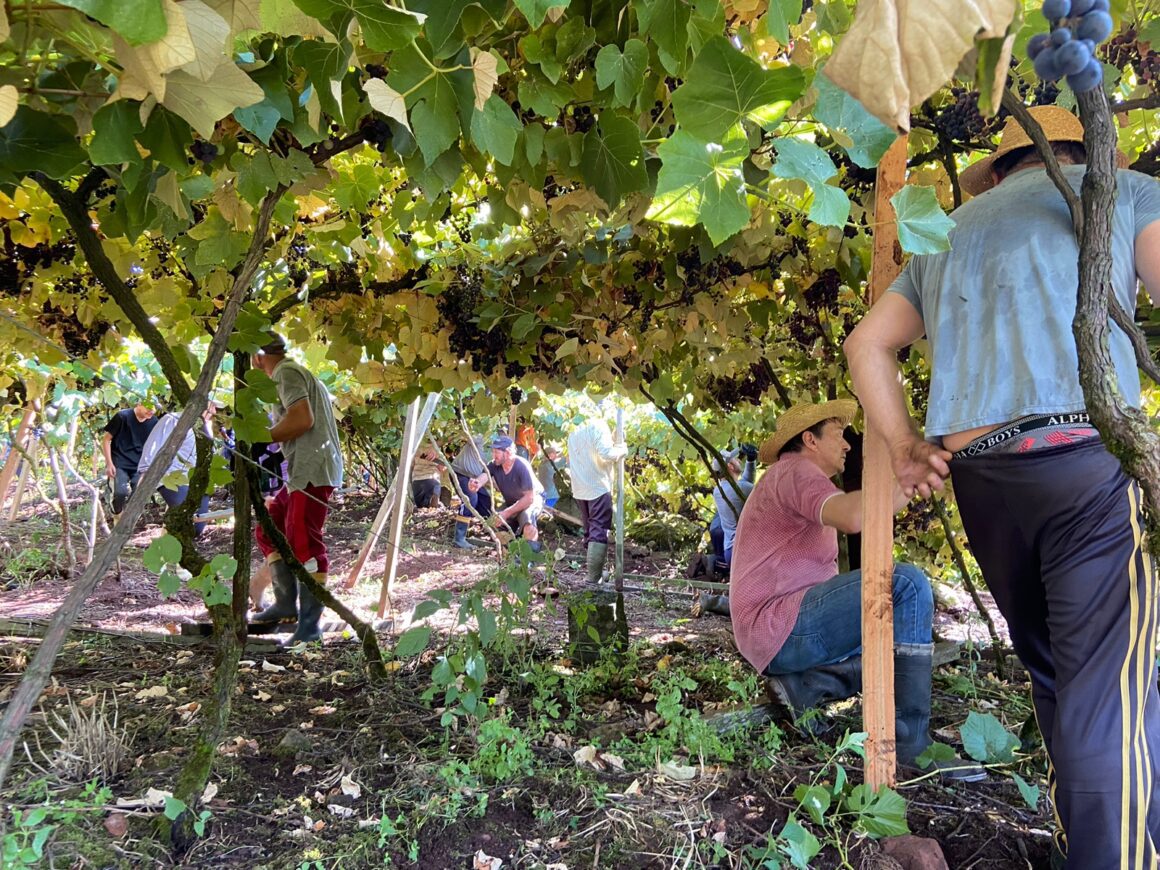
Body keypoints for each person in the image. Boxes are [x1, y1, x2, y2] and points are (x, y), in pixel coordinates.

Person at [845, 106, 1160, 866]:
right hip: (1087, 459)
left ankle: (1099, 842)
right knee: (1109, 687)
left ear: (1007, 163)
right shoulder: (1122, 193)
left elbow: (866, 346)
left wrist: (906, 445)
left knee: (1061, 674)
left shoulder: (948, 230)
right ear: (1088, 151)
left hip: (983, 475)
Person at [730, 399, 981, 781]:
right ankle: (911, 747)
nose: (847, 444)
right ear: (810, 440)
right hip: (780, 625)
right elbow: (854, 516)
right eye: (839, 434)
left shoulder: (792, 478)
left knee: (894, 637)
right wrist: (915, 470)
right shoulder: (796, 471)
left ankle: (808, 686)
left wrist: (917, 475)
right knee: (906, 585)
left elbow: (866, 509)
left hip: (776, 634)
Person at [249, 334, 344, 645]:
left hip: (311, 470)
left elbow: (302, 419)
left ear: (258, 357)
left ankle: (309, 626)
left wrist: (260, 437)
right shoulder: (290, 373)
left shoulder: (286, 373)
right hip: (302, 472)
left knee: (304, 541)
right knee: (270, 526)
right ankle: (286, 606)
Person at [693, 445, 758, 617]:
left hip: (732, 549)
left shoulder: (719, 489)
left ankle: (713, 602)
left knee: (748, 598)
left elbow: (744, 483)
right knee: (751, 601)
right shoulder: (740, 489)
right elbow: (749, 485)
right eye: (736, 459)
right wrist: (752, 460)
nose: (739, 461)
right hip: (744, 551)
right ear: (730, 466)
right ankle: (715, 603)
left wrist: (751, 462)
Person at [136, 401, 217, 536]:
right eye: (211, 406)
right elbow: (153, 446)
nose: (214, 411)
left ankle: (167, 547)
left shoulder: (207, 426)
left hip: (198, 480)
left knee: (198, 526)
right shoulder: (172, 419)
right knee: (185, 518)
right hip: (172, 477)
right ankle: (169, 552)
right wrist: (145, 474)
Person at [566, 413, 627, 583]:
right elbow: (607, 454)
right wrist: (622, 449)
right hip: (597, 486)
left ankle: (596, 574)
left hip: (580, 487)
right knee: (599, 530)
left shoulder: (574, 427)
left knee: (590, 530)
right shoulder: (598, 425)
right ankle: (593, 579)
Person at [468, 435, 543, 551]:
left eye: (496, 452)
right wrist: (476, 484)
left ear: (507, 453)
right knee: (493, 522)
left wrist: (506, 513)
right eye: (493, 451)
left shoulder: (521, 466)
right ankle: (511, 549)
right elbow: (484, 477)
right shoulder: (494, 465)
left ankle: (529, 559)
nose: (493, 455)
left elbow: (529, 498)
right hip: (512, 502)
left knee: (528, 521)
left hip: (531, 500)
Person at [101, 399, 159, 516]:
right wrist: (109, 463)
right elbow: (106, 439)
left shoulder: (154, 421)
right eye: (148, 408)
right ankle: (116, 513)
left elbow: (154, 444)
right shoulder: (122, 417)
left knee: (139, 492)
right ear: (139, 404)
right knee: (120, 492)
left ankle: (128, 518)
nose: (151, 411)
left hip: (140, 463)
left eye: (154, 408)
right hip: (119, 462)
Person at [451, 433, 490, 549]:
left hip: (476, 478)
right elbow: (466, 434)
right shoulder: (483, 435)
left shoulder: (499, 454)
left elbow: (490, 472)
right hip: (461, 473)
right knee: (470, 500)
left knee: (486, 502)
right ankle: (459, 538)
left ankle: (494, 533)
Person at [410, 444, 442, 508]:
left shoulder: (415, 447)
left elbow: (411, 465)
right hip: (432, 478)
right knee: (432, 508)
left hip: (417, 479)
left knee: (420, 506)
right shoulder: (436, 449)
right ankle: (434, 501)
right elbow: (442, 468)